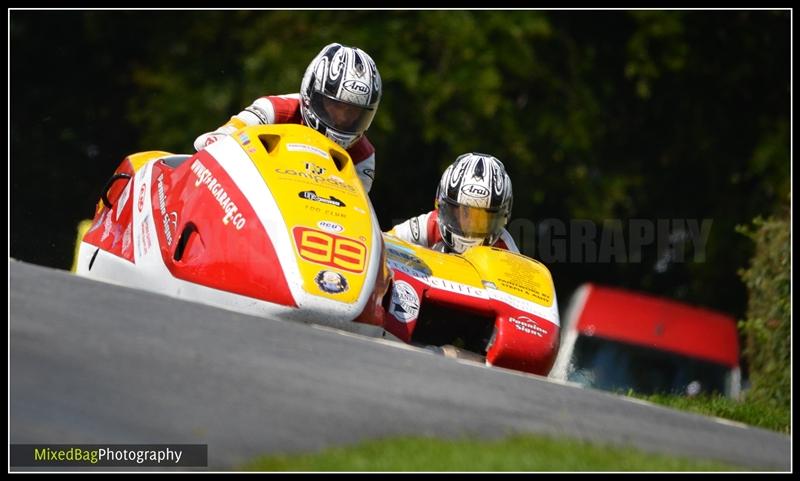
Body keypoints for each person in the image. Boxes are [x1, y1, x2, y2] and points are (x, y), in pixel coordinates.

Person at [194, 42, 382, 192]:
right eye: (335, 106)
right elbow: (219, 139)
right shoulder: (273, 109)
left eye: (353, 112)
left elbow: (354, 209)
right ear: (312, 92)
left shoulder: (364, 157)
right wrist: (218, 141)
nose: (342, 118)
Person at [389, 153, 518, 254]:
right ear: (444, 207)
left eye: (482, 216)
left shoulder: (505, 248)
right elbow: (385, 243)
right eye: (466, 212)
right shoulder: (431, 225)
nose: (472, 223)